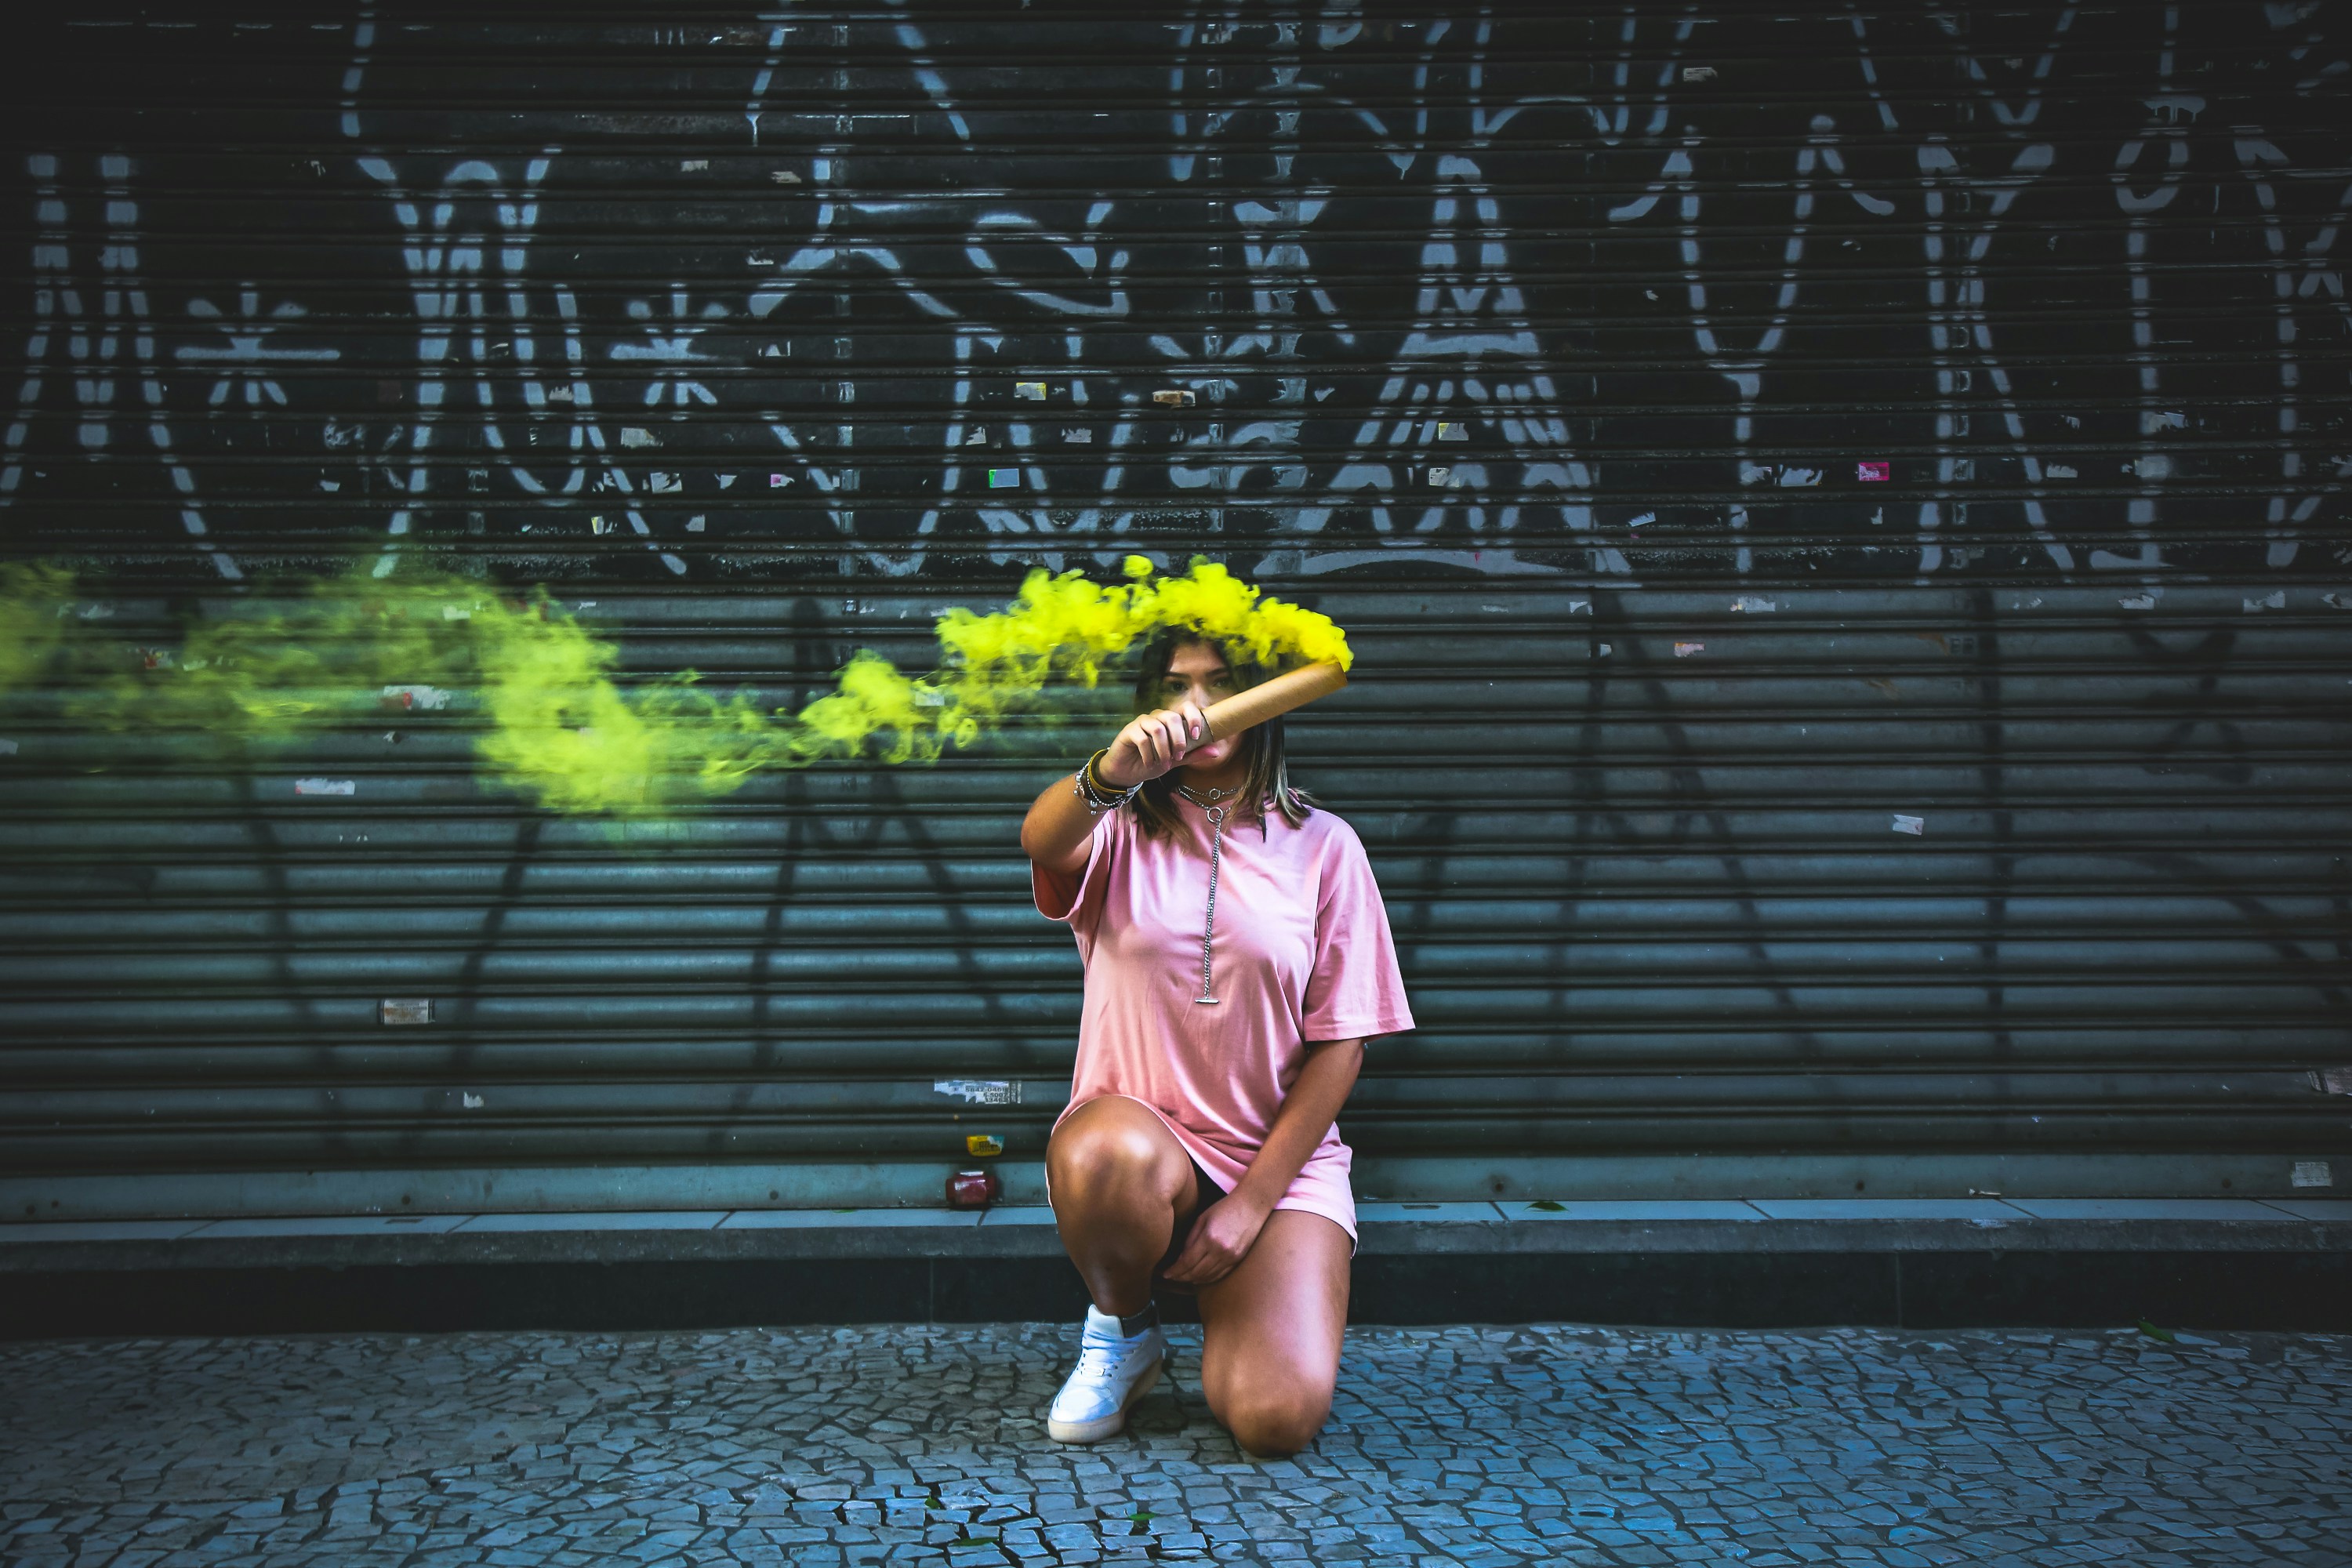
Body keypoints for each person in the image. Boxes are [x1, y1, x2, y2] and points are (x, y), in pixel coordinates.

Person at [1018, 630, 1414, 1457]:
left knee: (1275, 1420)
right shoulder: (1116, 829)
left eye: (1222, 683)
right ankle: (1124, 1329)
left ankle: (1239, 1302)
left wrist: (1250, 1205)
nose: (1197, 706)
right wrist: (1109, 775)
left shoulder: (1326, 844)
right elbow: (1043, 841)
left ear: (1264, 697)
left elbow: (1342, 1044)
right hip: (1139, 1144)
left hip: (1273, 1164)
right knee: (1106, 1156)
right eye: (1175, 686)